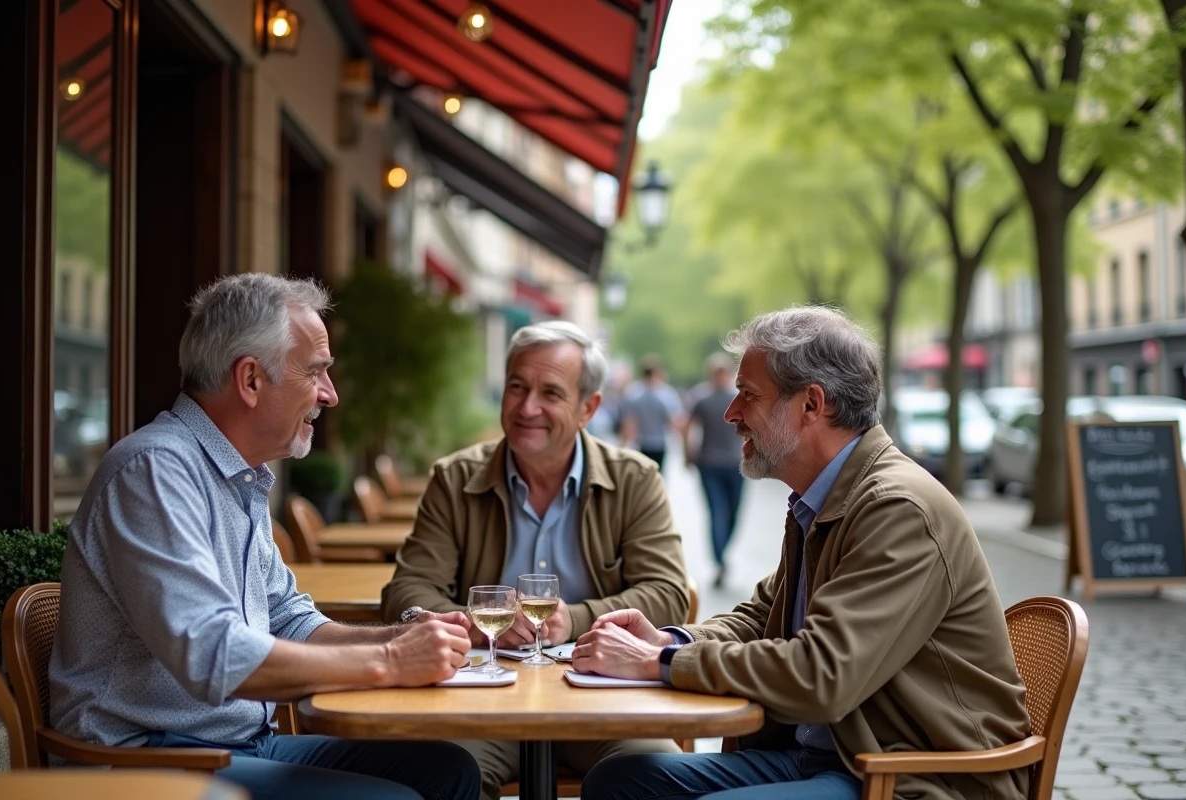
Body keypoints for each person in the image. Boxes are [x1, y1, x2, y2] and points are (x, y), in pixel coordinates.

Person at [573, 306, 1033, 800]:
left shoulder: (897, 509)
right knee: (620, 781)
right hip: (831, 757)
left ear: (811, 404)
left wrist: (659, 662)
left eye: (748, 395)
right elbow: (761, 617)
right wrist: (671, 638)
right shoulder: (824, 497)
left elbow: (823, 674)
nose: (731, 414)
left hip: (910, 776)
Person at [50, 274, 481, 800]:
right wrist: (389, 663)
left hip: (234, 744)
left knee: (447, 770)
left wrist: (403, 637)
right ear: (251, 379)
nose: (331, 394)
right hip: (147, 761)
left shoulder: (238, 476)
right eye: (317, 372)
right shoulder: (154, 472)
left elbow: (290, 620)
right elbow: (215, 654)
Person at [382, 321, 691, 800]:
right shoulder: (454, 478)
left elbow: (668, 593)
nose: (528, 408)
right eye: (517, 388)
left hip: (603, 698)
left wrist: (577, 620)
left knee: (665, 781)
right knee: (430, 780)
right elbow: (406, 592)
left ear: (589, 408)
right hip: (483, 700)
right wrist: (476, 624)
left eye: (550, 393)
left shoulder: (636, 479)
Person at [683, 353, 745, 588]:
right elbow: (688, 426)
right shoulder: (703, 397)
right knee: (719, 511)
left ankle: (721, 555)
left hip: (734, 463)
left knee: (730, 513)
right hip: (711, 463)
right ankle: (720, 560)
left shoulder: (734, 396)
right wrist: (687, 452)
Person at [619, 354, 683, 469]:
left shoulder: (633, 393)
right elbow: (674, 421)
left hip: (640, 442)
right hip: (658, 443)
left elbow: (628, 423)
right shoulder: (666, 394)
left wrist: (623, 446)